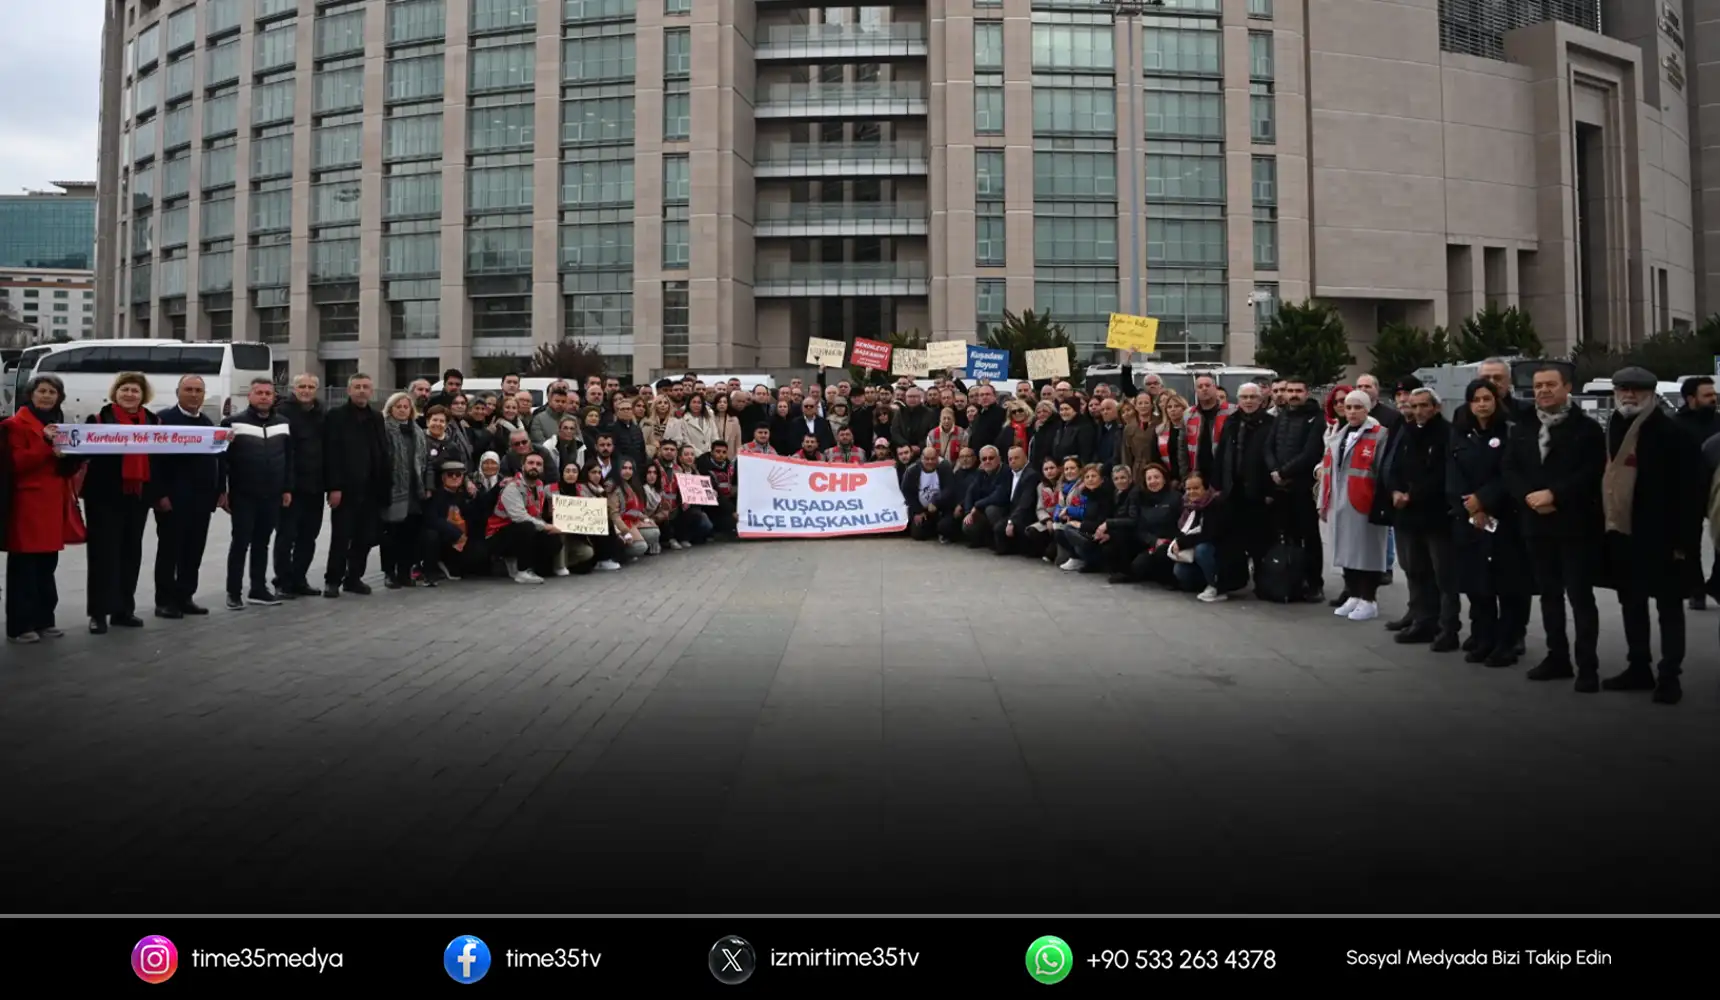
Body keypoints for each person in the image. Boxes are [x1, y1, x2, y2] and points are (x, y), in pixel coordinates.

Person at [1597, 367, 1706, 705]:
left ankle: (1669, 676)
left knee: (1669, 608)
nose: (1628, 396)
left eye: (1636, 391)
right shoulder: (1615, 425)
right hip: (1625, 534)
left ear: (1651, 394)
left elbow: (1691, 495)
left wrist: (1683, 544)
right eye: (1623, 390)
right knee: (1631, 604)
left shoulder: (1671, 433)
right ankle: (1638, 667)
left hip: (1663, 538)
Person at [1502, 363, 1605, 688]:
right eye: (1538, 386)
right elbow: (1510, 468)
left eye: (1550, 385)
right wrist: (1528, 497)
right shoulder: (1522, 426)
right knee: (1548, 593)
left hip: (1575, 524)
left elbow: (1592, 472)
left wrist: (1555, 495)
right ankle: (1556, 657)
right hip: (1535, 522)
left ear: (1567, 388)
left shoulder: (1587, 428)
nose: (1543, 391)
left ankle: (1587, 665)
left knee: (1579, 595)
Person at [85, 371, 161, 634]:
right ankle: (97, 613)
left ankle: (123, 610)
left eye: (135, 390)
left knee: (131, 553)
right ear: (116, 392)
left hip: (136, 498)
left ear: (143, 395)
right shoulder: (98, 420)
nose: (130, 394)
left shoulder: (153, 421)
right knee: (103, 556)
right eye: (125, 389)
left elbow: (160, 460)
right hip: (103, 498)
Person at [5, 375, 79, 643]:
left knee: (47, 566)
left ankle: (45, 620)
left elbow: (67, 466)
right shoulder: (13, 425)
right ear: (31, 394)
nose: (47, 396)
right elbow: (16, 463)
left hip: (52, 505)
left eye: (53, 392)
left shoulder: (59, 425)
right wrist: (48, 446)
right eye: (42, 391)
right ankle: (20, 626)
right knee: (24, 567)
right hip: (26, 505)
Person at [1387, 387, 1459, 649]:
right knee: (1415, 570)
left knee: (1443, 575)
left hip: (1436, 515)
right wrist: (1395, 489)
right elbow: (1394, 466)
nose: (1418, 411)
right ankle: (1421, 620)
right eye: (1413, 406)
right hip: (1407, 515)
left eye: (1423, 406)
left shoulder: (1447, 434)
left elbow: (1442, 474)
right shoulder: (1407, 431)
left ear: (1436, 407)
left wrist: (1412, 494)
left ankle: (1448, 627)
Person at [219, 377, 293, 610]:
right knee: (240, 543)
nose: (263, 397)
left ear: (274, 397)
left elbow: (289, 459)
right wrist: (223, 491)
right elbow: (222, 461)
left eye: (268, 393)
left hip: (272, 494)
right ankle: (233, 592)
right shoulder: (231, 423)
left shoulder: (283, 423)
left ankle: (258, 589)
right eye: (259, 393)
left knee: (262, 543)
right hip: (243, 495)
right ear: (249, 396)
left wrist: (287, 488)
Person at [152, 375, 221, 618]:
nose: (194, 394)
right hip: (172, 500)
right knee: (170, 551)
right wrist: (159, 495)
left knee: (194, 550)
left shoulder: (207, 423)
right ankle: (164, 601)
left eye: (198, 390)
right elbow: (155, 462)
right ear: (177, 392)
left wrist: (218, 492)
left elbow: (216, 460)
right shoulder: (164, 421)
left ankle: (185, 596)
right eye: (189, 389)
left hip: (201, 500)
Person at [1322, 390, 1391, 622]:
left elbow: (1383, 471)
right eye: (1348, 407)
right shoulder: (1339, 433)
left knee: (1367, 551)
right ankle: (1354, 593)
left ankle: (1369, 599)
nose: (1351, 411)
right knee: (1346, 550)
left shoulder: (1379, 434)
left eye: (1357, 407)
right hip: (1340, 499)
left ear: (1367, 409)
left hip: (1364, 499)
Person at [323, 373, 391, 598]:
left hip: (372, 489)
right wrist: (334, 487)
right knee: (341, 537)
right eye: (357, 387)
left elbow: (382, 451)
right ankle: (333, 580)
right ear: (349, 391)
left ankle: (354, 578)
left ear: (371, 391)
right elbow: (331, 454)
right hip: (346, 489)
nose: (362, 391)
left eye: (366, 387)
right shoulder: (336, 416)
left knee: (365, 537)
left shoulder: (376, 417)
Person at [1262, 377, 1326, 601]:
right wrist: (1273, 471)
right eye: (1290, 391)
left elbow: (1310, 453)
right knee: (1287, 536)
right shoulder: (1281, 417)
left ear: (1307, 392)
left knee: (1309, 537)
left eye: (1298, 390)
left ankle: (1314, 583)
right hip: (1281, 488)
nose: (1293, 395)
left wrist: (1283, 472)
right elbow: (1268, 447)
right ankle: (1291, 579)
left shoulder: (1317, 419)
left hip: (1303, 487)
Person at [274, 372, 325, 597]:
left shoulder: (322, 414)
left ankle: (299, 578)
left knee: (309, 536)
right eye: (302, 386)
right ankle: (283, 581)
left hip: (315, 487)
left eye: (311, 387)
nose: (306, 390)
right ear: (295, 389)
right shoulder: (283, 413)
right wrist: (285, 486)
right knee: (287, 536)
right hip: (292, 488)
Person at [1672, 376, 1719, 608]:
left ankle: (1717, 583)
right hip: (1687, 492)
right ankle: (1696, 589)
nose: (1713, 399)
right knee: (1691, 545)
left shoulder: (1718, 422)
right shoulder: (1674, 425)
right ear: (1691, 399)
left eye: (1714, 395)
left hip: (1716, 493)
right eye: (1707, 396)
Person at [483, 450, 563, 583]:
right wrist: (546, 526)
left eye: (538, 464)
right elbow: (520, 518)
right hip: (498, 535)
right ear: (523, 466)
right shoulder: (512, 487)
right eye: (530, 463)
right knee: (527, 527)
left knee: (553, 540)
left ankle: (531, 567)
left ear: (543, 469)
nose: (534, 466)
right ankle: (522, 571)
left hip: (521, 530)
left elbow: (536, 514)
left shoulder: (539, 486)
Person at [378, 392, 429, 590]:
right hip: (394, 489)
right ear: (390, 409)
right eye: (397, 406)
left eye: (405, 407)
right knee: (391, 535)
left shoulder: (417, 431)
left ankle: (405, 572)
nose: (401, 409)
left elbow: (424, 461)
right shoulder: (384, 430)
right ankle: (389, 573)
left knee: (410, 534)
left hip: (414, 491)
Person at [1167, 472, 1230, 600]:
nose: (1191, 492)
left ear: (1205, 488)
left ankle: (1216, 586)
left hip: (1221, 554)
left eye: (1196, 488)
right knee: (1180, 570)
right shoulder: (1188, 507)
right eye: (1188, 489)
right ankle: (1206, 582)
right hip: (1198, 551)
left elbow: (1210, 534)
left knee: (1202, 549)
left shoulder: (1216, 504)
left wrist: (1182, 542)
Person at [902, 445, 952, 541]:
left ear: (937, 458)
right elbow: (907, 492)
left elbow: (949, 488)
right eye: (927, 459)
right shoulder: (912, 470)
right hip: (922, 509)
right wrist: (917, 511)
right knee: (918, 533)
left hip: (941, 508)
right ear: (921, 458)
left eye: (933, 459)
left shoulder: (945, 467)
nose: (930, 462)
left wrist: (936, 502)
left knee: (945, 527)